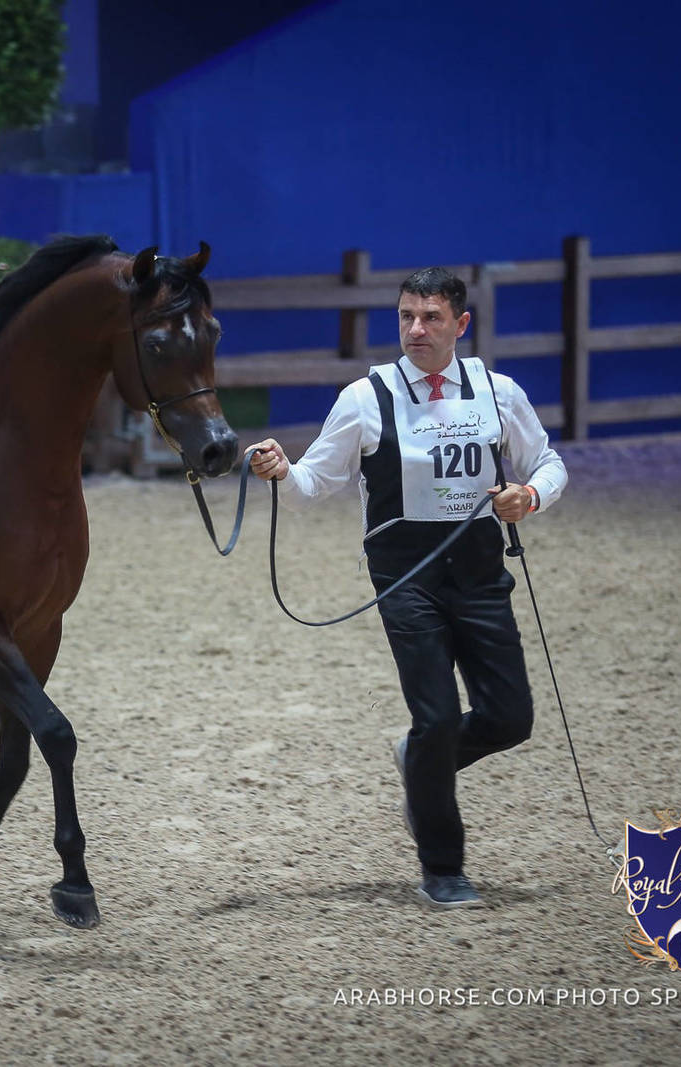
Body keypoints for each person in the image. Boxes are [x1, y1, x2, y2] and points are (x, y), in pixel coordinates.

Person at [246, 267, 567, 909]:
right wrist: (281, 471)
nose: (416, 329)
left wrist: (529, 495)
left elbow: (548, 463)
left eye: (431, 317)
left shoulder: (499, 392)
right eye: (406, 317)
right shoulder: (365, 398)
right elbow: (313, 484)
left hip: (480, 575)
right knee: (437, 717)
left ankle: (418, 757)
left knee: (511, 719)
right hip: (405, 579)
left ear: (461, 324)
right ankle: (443, 868)